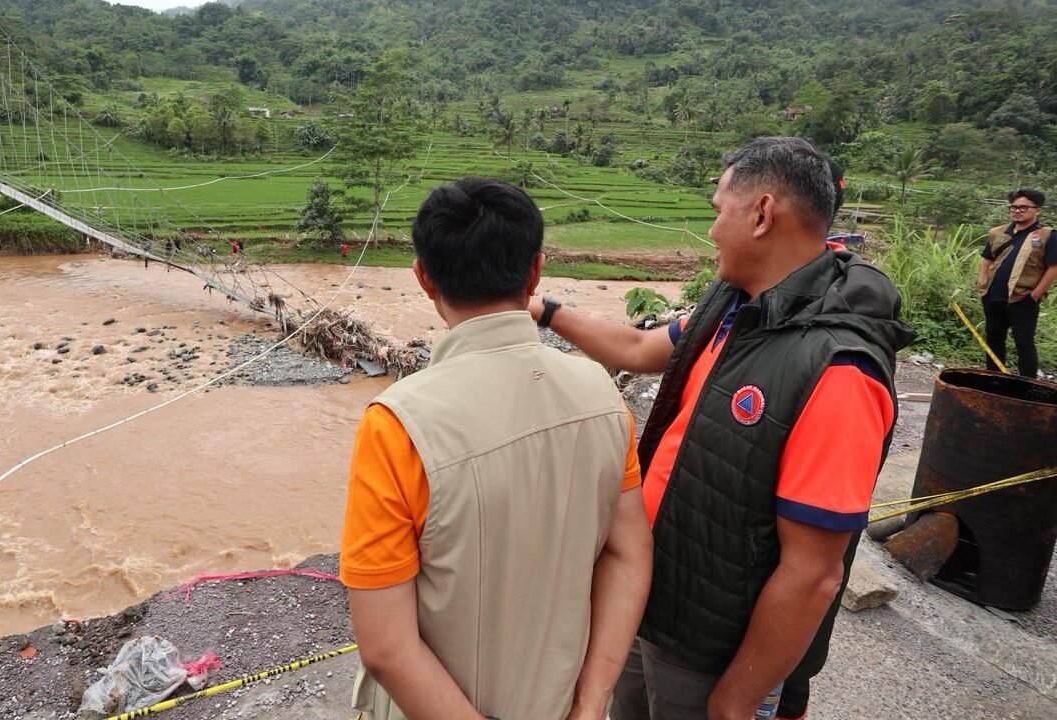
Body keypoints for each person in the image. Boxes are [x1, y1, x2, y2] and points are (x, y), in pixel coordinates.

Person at [530, 137, 913, 720]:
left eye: (718, 210)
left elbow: (813, 572)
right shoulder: (734, 304)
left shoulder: (838, 371)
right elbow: (637, 348)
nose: (711, 231)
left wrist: (737, 698)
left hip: (713, 648)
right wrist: (544, 310)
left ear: (761, 214)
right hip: (653, 596)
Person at [342, 177, 654, 720]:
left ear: (423, 277)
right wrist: (591, 702)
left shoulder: (396, 425)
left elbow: (387, 647)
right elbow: (629, 554)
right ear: (535, 273)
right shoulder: (602, 395)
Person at [977, 188, 1057, 378]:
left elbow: (1053, 268)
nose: (1017, 211)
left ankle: (1027, 385)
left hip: (1023, 298)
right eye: (1014, 207)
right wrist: (982, 281)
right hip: (994, 296)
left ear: (1037, 210)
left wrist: (1035, 295)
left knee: (1024, 342)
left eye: (1023, 207)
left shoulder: (1047, 235)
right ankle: (994, 380)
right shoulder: (998, 232)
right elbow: (987, 258)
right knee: (994, 338)